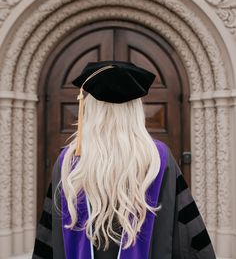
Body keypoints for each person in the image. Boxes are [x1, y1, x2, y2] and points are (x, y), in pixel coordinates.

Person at [32, 61, 216, 259]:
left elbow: (49, 239)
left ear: (91, 109)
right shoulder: (158, 158)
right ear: (136, 110)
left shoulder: (70, 161)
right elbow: (186, 236)